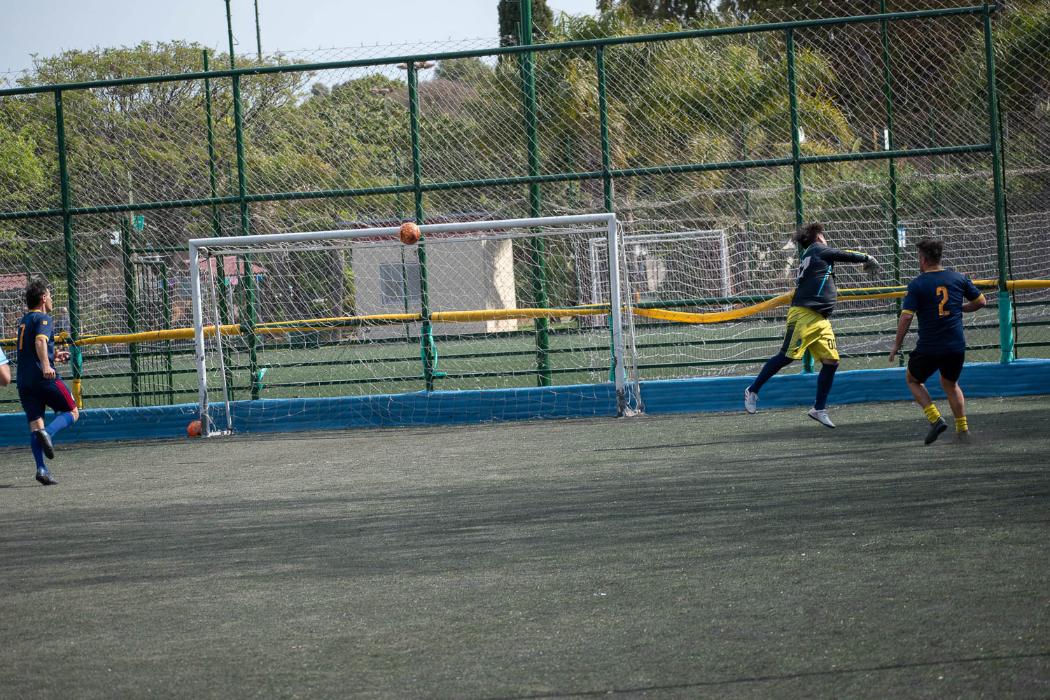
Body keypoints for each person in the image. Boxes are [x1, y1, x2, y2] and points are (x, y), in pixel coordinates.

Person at [744, 222, 878, 428]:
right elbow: (844, 254)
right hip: (804, 315)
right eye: (824, 236)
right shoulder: (818, 249)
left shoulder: (812, 254)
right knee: (786, 356)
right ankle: (752, 390)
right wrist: (867, 258)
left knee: (831, 362)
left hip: (821, 320)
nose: (826, 240)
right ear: (818, 238)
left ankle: (818, 409)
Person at [889, 238, 986, 445]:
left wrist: (897, 344)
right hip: (955, 346)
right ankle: (963, 430)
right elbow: (981, 301)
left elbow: (906, 317)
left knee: (912, 380)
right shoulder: (958, 278)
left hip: (930, 347)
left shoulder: (917, 284)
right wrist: (960, 308)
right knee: (950, 384)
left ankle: (935, 419)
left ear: (923, 260)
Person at [16, 279, 79, 485]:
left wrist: (53, 356)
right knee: (72, 411)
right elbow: (40, 341)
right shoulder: (43, 318)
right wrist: (46, 365)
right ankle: (48, 434)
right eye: (50, 296)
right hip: (43, 378)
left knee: (36, 425)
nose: (51, 299)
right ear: (43, 298)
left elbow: (31, 349)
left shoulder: (24, 321)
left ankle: (41, 469)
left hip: (24, 381)